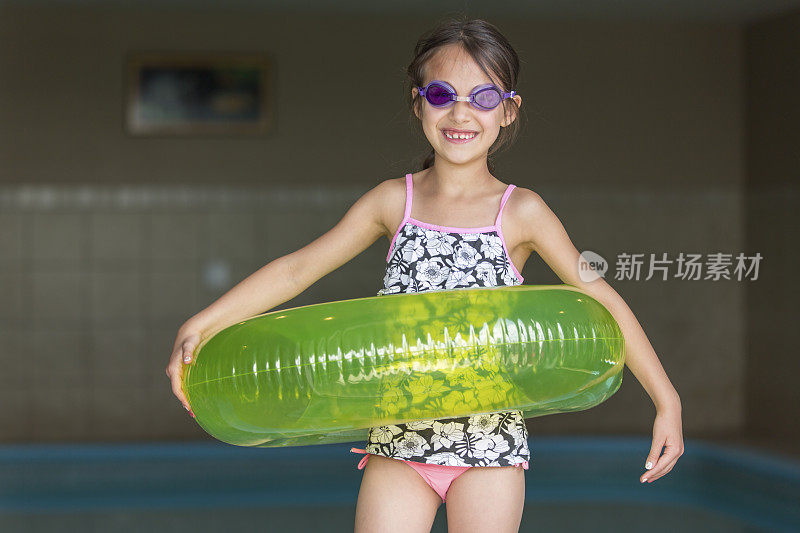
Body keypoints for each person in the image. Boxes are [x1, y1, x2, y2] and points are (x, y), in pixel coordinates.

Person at [166, 16, 684, 533]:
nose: (462, 112)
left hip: (489, 446)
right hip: (400, 443)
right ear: (418, 103)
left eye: (484, 97)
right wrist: (203, 322)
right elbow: (297, 269)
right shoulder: (395, 201)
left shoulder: (522, 211)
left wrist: (667, 400)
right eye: (442, 94)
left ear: (508, 111)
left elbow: (602, 297)